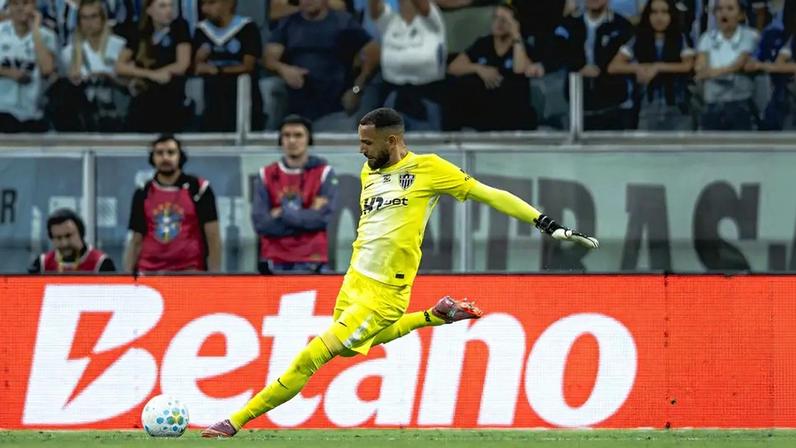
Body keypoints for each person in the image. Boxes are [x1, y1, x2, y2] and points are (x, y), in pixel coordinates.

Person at [201, 107, 599, 438]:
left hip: (384, 293)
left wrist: (547, 224)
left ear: (391, 141)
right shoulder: (369, 173)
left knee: (311, 357)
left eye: (366, 143)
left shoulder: (429, 169)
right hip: (354, 281)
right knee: (354, 346)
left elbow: (489, 194)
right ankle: (434, 315)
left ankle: (235, 421)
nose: (361, 150)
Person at [264, 0, 380, 131]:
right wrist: (284, 69)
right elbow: (269, 57)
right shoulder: (288, 23)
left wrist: (356, 89)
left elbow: (374, 52)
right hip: (295, 105)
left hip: (334, 107)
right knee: (269, 86)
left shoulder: (343, 22)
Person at [252, 114, 338, 274]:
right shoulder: (265, 174)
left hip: (313, 261)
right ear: (280, 140)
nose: (292, 140)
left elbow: (321, 219)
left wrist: (282, 213)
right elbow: (261, 223)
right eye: (286, 135)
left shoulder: (324, 173)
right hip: (274, 262)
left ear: (308, 139)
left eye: (298, 135)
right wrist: (304, 216)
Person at [124, 134, 222, 273]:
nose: (165, 157)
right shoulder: (143, 192)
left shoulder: (199, 189)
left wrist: (215, 276)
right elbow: (136, 240)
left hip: (189, 272)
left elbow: (213, 237)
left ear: (180, 156)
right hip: (149, 272)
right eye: (159, 153)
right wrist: (127, 276)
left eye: (171, 152)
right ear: (152, 158)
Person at [446, 0, 541, 131]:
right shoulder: (483, 44)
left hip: (514, 115)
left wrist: (516, 36)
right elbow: (453, 67)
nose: (498, 23)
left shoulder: (522, 47)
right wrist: (479, 68)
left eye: (504, 20)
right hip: (484, 113)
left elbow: (520, 69)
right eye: (495, 18)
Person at [608, 0, 696, 130]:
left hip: (678, 108)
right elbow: (613, 66)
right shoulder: (638, 39)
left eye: (664, 12)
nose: (659, 17)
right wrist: (638, 68)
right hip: (646, 108)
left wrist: (657, 67)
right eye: (654, 12)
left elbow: (688, 65)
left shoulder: (681, 38)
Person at [551, 0, 635, 130]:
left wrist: (600, 70)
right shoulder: (569, 24)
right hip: (577, 105)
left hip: (614, 107)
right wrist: (578, 68)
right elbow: (558, 53)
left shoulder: (622, 25)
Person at [368, 0, 447, 131]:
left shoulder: (432, 18)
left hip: (427, 97)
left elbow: (423, 7)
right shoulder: (390, 20)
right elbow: (374, 10)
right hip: (393, 97)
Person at [116, 0, 192, 132]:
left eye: (171, 5)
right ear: (149, 10)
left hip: (171, 99)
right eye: (162, 6)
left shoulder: (179, 27)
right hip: (143, 100)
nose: (169, 10)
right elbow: (119, 66)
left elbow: (182, 65)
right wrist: (152, 75)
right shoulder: (139, 30)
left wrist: (153, 74)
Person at [52, 0, 128, 131]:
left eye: (94, 16)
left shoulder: (120, 46)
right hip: (83, 115)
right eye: (84, 18)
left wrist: (108, 77)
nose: (89, 22)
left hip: (116, 111)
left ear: (102, 19)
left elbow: (129, 84)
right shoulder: (68, 52)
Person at [193, 0, 263, 131]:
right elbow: (196, 68)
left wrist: (218, 70)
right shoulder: (201, 30)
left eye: (211, 3)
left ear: (229, 3)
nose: (205, 9)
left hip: (241, 90)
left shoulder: (247, 28)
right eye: (203, 4)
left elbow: (248, 66)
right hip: (212, 95)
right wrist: (198, 59)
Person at [695, 0, 759, 130]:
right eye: (719, 9)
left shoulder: (750, 35)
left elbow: (739, 64)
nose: (724, 13)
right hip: (712, 103)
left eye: (730, 9)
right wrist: (721, 71)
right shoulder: (706, 38)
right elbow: (700, 68)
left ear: (741, 15)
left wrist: (712, 72)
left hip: (741, 103)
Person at [0, 0, 56, 133]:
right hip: (3, 111)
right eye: (15, 4)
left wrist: (35, 30)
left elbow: (47, 69)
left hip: (33, 113)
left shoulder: (47, 36)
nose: (20, 8)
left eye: (25, 3)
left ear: (34, 6)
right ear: (9, 7)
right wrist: (8, 72)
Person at [29, 208, 116, 273]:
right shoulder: (41, 264)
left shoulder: (101, 263)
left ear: (81, 233)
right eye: (58, 238)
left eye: (68, 236)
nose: (64, 243)